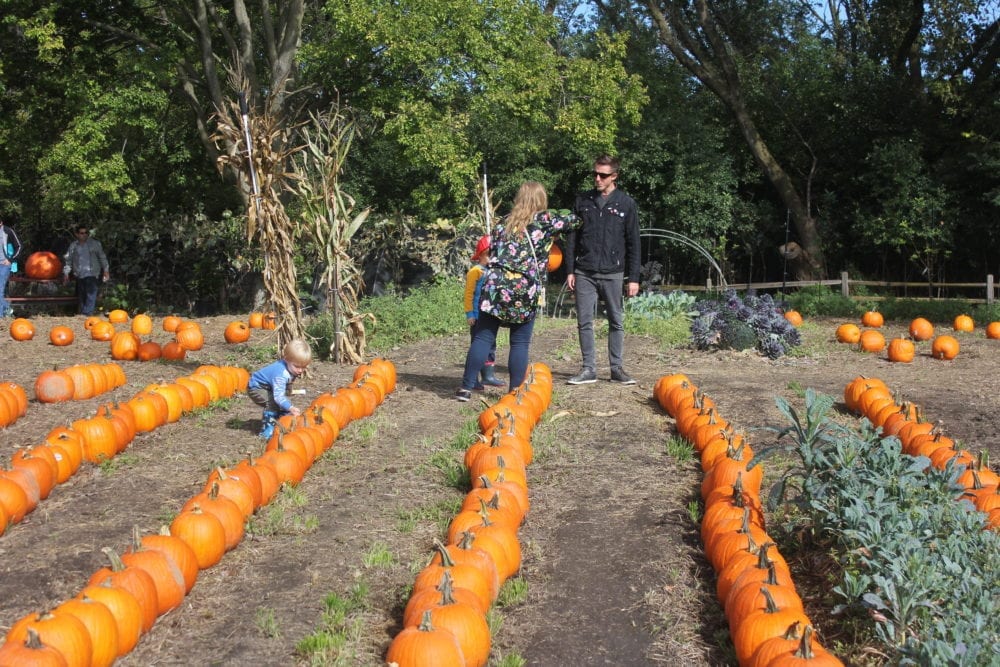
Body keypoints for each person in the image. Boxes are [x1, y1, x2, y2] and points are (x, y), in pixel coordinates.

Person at [456, 181, 579, 401]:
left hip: (495, 286)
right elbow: (575, 221)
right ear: (541, 200)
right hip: (524, 289)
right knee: (519, 343)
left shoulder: (503, 222)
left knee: (482, 339)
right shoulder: (545, 221)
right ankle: (514, 393)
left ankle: (465, 388)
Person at [564, 154, 641, 385]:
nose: (597, 178)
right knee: (584, 321)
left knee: (616, 321)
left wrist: (634, 278)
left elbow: (634, 242)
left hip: (613, 272)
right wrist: (570, 270)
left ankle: (616, 369)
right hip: (584, 271)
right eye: (595, 174)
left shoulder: (626, 204)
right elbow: (572, 238)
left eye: (603, 175)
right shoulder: (582, 201)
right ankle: (588, 369)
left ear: (614, 176)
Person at [464, 235, 506, 390]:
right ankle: (472, 378)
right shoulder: (475, 271)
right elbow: (469, 294)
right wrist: (470, 314)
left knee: (491, 346)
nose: (492, 258)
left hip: (490, 315)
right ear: (481, 254)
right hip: (477, 316)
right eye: (489, 254)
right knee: (477, 347)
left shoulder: (495, 271)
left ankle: (488, 376)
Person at [248, 338, 312, 439]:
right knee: (272, 403)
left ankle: (280, 419)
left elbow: (286, 386)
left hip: (268, 387)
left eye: (303, 367)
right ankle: (267, 431)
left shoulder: (290, 367)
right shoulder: (280, 374)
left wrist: (287, 401)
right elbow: (278, 397)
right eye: (297, 366)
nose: (300, 370)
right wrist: (290, 407)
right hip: (256, 387)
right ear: (286, 359)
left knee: (282, 404)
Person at [62, 225, 110, 316]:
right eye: (82, 233)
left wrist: (106, 270)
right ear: (77, 234)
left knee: (91, 295)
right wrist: (66, 273)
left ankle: (87, 315)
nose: (84, 235)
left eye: (86, 233)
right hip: (79, 274)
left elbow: (102, 257)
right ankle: (83, 315)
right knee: (82, 296)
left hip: (92, 273)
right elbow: (68, 260)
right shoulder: (73, 246)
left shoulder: (95, 244)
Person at [0, 217, 23, 318]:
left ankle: (2, 315)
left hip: (4, 265)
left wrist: (10, 259)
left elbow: (19, 246)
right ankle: (6, 309)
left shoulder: (8, 231)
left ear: (1, 223)